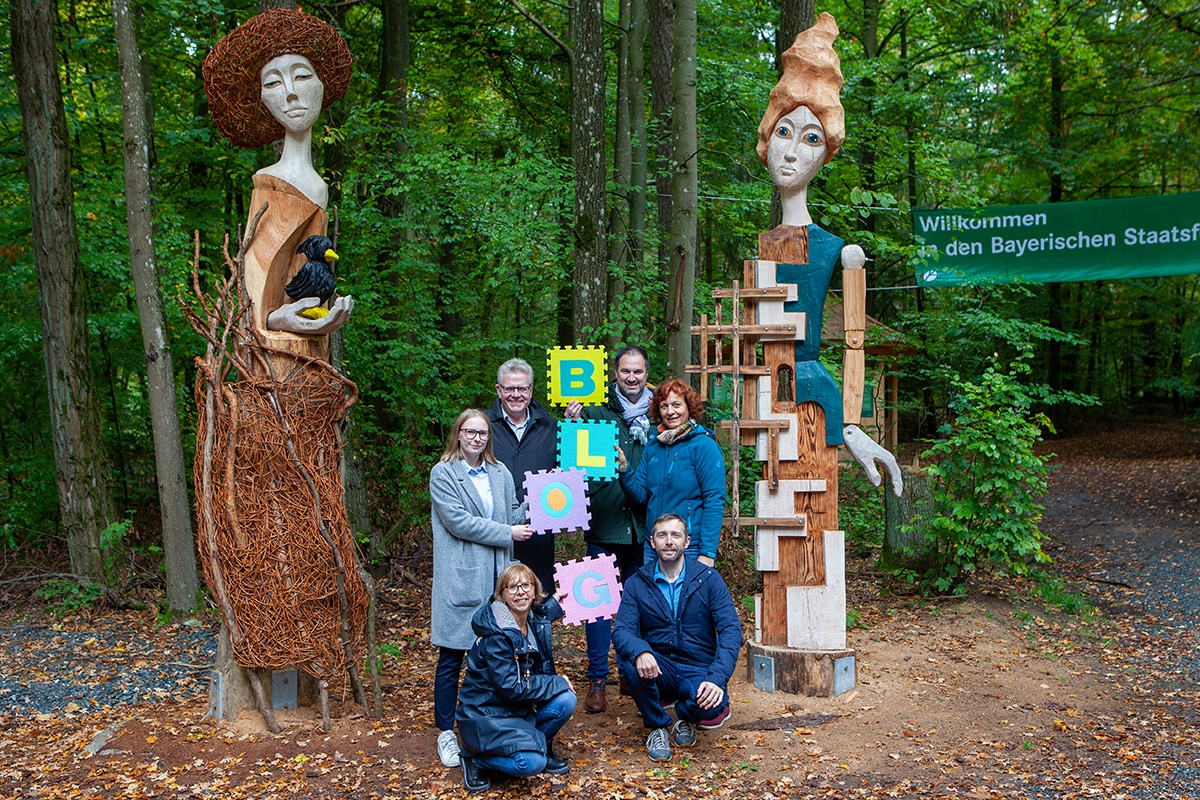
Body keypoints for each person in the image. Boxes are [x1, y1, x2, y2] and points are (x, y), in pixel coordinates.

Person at [202, 8, 354, 344]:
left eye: (301, 76)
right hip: (272, 357)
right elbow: (256, 296)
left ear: (322, 84)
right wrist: (276, 319)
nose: (289, 93)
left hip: (309, 357)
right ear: (262, 98)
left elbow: (310, 273)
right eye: (272, 82)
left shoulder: (318, 187)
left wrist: (317, 319)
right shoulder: (269, 184)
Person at [430, 410, 535, 769]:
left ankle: (491, 726)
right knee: (452, 656)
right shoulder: (443, 473)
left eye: (482, 433)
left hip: (498, 578)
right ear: (457, 434)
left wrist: (543, 501)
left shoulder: (500, 473)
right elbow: (459, 523)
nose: (476, 438)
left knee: (499, 653)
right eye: (469, 431)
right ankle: (445, 731)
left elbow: (511, 513)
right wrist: (509, 532)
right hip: (463, 577)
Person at [564, 345, 654, 713]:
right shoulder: (595, 413)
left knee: (639, 607)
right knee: (595, 608)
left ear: (647, 374)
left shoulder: (660, 413)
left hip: (643, 530)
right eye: (625, 371)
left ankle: (632, 673)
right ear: (614, 373)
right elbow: (570, 464)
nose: (631, 377)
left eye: (638, 371)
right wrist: (570, 424)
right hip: (602, 526)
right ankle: (598, 679)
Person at [611, 514, 742, 762]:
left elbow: (731, 630)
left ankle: (683, 715)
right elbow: (622, 630)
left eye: (675, 535)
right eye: (662, 535)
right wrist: (641, 651)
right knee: (629, 660)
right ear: (652, 542)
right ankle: (658, 725)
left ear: (687, 541)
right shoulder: (637, 583)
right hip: (659, 667)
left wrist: (717, 677)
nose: (669, 541)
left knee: (713, 703)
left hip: (698, 666)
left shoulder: (708, 579)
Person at [455, 564, 577, 792]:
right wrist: (557, 681)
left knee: (566, 699)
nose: (520, 592)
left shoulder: (528, 619)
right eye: (512, 587)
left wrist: (555, 604)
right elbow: (512, 687)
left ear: (534, 591)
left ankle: (539, 746)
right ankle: (475, 758)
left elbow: (541, 614)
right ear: (502, 594)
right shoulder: (498, 635)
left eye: (526, 585)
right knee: (531, 764)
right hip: (487, 714)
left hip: (517, 710)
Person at [616, 378, 727, 567]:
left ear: (689, 407)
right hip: (655, 545)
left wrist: (708, 552)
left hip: (689, 546)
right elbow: (641, 496)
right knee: (653, 597)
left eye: (676, 405)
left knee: (688, 597)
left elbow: (714, 500)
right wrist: (625, 470)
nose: (670, 412)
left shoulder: (704, 446)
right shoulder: (654, 445)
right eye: (664, 406)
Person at [487, 358, 560, 592]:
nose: (516, 394)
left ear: (530, 390)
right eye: (509, 388)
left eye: (522, 388)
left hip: (538, 533)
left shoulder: (552, 427)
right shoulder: (483, 427)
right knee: (496, 602)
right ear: (499, 390)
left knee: (538, 600)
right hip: (493, 533)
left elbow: (570, 475)